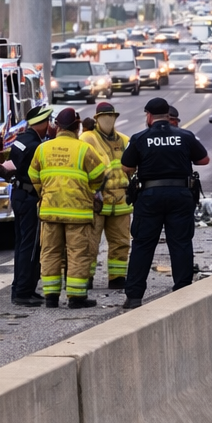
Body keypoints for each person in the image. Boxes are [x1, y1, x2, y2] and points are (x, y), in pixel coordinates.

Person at [120, 97, 209, 309]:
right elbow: (204, 160)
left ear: (149, 116)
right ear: (169, 117)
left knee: (142, 244)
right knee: (180, 243)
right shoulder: (185, 136)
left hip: (150, 196)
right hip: (180, 194)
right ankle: (183, 291)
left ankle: (134, 297)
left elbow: (126, 166)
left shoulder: (141, 137)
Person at [28, 106, 108, 308]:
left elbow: (34, 177)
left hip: (49, 212)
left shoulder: (43, 149)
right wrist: (87, 190)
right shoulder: (84, 149)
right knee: (78, 253)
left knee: (50, 252)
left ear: (57, 127)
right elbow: (100, 176)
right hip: (77, 213)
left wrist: (44, 194)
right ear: (77, 127)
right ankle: (76, 297)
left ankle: (51, 297)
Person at [0, 104, 53, 307]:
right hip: (30, 197)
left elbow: (0, 164)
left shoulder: (21, 140)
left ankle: (22, 288)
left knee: (22, 244)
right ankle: (23, 292)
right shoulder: (36, 147)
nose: (49, 125)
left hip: (20, 195)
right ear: (41, 124)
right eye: (47, 122)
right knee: (31, 247)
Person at [82, 101, 133, 289]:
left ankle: (117, 278)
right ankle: (85, 277)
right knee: (89, 244)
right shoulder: (87, 139)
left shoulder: (125, 140)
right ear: (96, 119)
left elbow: (134, 167)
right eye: (105, 117)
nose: (108, 120)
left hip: (121, 203)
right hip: (96, 202)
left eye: (111, 116)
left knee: (121, 242)